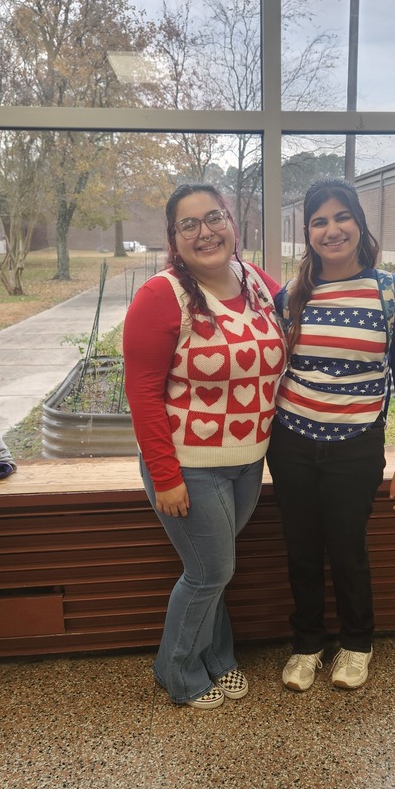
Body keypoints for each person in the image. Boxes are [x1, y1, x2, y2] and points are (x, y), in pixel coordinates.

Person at [123, 183, 285, 710]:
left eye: (214, 218)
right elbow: (142, 394)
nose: (205, 232)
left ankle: (219, 656)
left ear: (232, 224)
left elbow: (305, 315)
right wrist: (165, 475)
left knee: (216, 568)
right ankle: (178, 672)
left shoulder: (256, 281)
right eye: (188, 224)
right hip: (188, 465)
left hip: (248, 462)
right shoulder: (160, 296)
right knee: (209, 571)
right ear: (173, 239)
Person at [267, 178, 395, 693]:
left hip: (356, 447)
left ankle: (357, 643)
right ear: (308, 232)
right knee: (301, 549)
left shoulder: (392, 293)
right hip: (291, 442)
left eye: (342, 217)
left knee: (348, 549)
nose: (331, 230)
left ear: (359, 222)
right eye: (319, 221)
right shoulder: (290, 296)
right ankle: (307, 643)